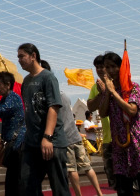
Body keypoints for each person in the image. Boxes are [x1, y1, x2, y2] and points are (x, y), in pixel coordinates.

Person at [39, 60, 104, 196]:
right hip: (75, 135)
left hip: (65, 138)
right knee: (87, 166)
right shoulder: (63, 94)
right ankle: (99, 193)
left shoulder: (51, 96)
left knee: (72, 169)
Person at [98, 51, 140, 196]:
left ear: (121, 67)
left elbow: (132, 110)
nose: (111, 71)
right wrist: (108, 92)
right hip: (119, 144)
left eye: (114, 66)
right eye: (107, 67)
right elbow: (103, 112)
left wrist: (114, 92)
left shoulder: (133, 87)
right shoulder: (109, 90)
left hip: (137, 141)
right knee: (123, 186)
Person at [15, 43, 69, 196]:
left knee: (59, 188)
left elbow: (54, 107)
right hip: (31, 143)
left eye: (22, 56)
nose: (19, 60)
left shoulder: (48, 78)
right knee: (27, 185)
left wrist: (47, 137)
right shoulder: (25, 82)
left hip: (52, 142)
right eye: (18, 56)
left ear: (33, 56)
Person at [0, 70, 26, 196]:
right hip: (11, 145)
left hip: (18, 146)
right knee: (11, 182)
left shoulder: (13, 98)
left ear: (8, 85)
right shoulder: (5, 99)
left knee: (17, 182)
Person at [86, 55, 114, 186]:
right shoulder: (94, 88)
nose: (99, 70)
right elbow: (90, 106)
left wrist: (108, 90)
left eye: (102, 66)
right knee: (112, 179)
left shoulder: (117, 83)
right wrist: (101, 93)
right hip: (108, 139)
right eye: (97, 67)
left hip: (122, 137)